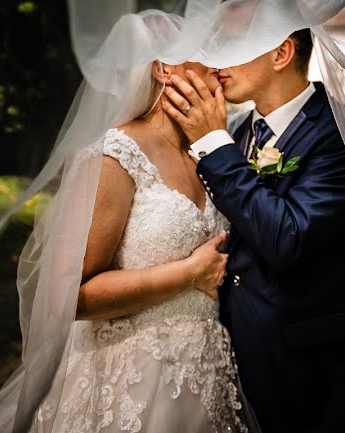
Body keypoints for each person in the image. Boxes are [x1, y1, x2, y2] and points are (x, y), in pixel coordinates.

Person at [162, 29, 345, 433]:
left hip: (312, 368)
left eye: (230, 46)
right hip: (226, 354)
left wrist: (213, 144)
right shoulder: (234, 130)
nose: (215, 61)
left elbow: (288, 238)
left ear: (282, 52)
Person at [26, 61, 258, 433]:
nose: (222, 62)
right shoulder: (118, 151)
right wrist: (189, 274)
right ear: (164, 68)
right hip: (132, 382)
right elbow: (71, 297)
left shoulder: (212, 155)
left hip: (210, 372)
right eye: (208, 50)